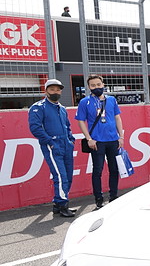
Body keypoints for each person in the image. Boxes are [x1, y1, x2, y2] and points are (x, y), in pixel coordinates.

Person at [28, 79, 76, 217]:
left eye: (58, 89)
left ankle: (57, 204)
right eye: (52, 89)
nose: (55, 92)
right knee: (60, 176)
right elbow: (35, 128)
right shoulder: (38, 107)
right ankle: (63, 205)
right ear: (46, 91)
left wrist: (71, 139)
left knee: (68, 175)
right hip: (52, 146)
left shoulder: (62, 108)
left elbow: (67, 126)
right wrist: (50, 142)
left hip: (66, 145)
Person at [76, 74, 124, 209]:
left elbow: (117, 118)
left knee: (114, 169)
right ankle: (98, 199)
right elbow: (81, 121)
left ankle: (113, 196)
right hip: (97, 142)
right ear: (89, 87)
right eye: (93, 85)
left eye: (98, 84)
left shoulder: (111, 100)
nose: (96, 87)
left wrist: (121, 137)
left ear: (103, 85)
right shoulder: (84, 102)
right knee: (97, 170)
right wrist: (89, 139)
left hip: (113, 140)